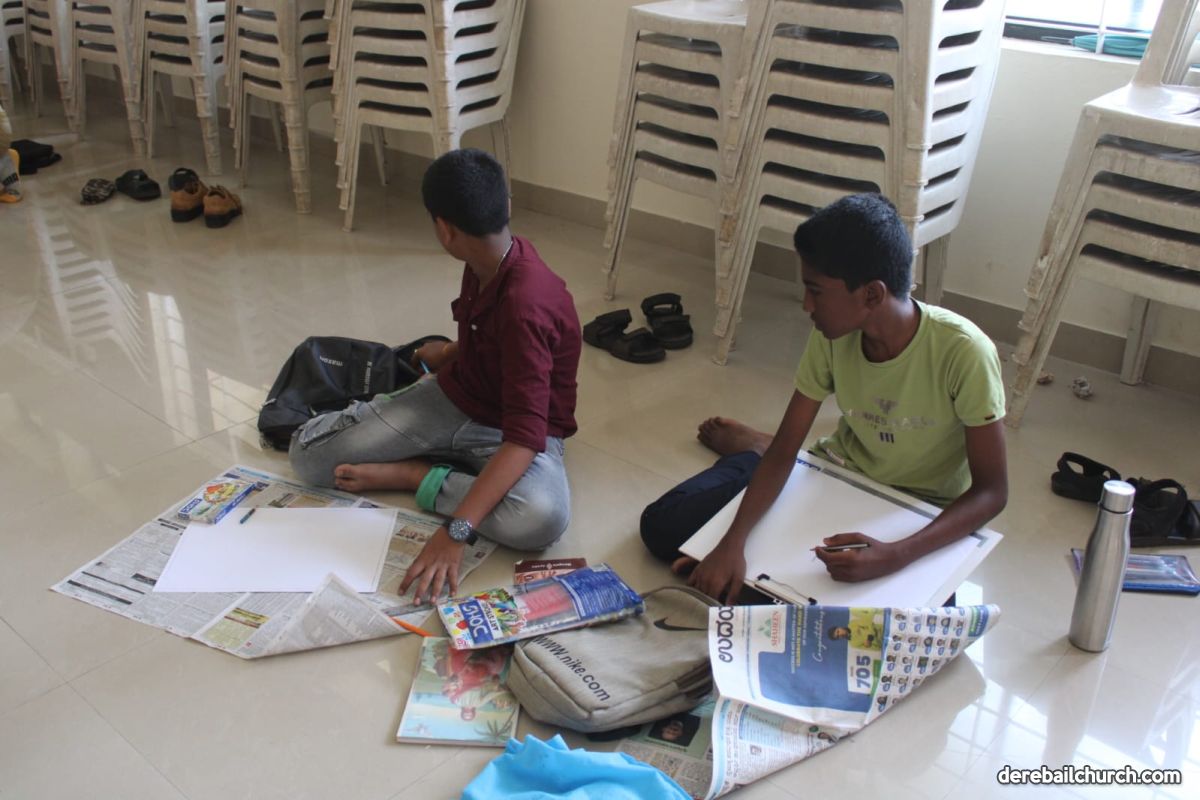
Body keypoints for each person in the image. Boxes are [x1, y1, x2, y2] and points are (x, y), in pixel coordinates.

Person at [640, 193, 1008, 604]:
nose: (806, 305)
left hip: (916, 508)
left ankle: (754, 447)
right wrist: (731, 543)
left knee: (900, 623)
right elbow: (785, 451)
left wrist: (896, 555)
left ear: (872, 295)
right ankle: (755, 450)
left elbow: (992, 492)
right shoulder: (833, 334)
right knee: (662, 528)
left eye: (816, 291)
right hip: (836, 473)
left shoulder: (964, 352)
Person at [289, 148, 582, 603]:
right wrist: (447, 353)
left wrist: (456, 531)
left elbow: (524, 439)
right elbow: (491, 335)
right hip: (454, 396)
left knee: (539, 519)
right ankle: (423, 445)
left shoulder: (528, 302)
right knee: (309, 456)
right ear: (506, 206)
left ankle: (417, 474)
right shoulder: (487, 260)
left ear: (444, 230)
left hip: (519, 432)